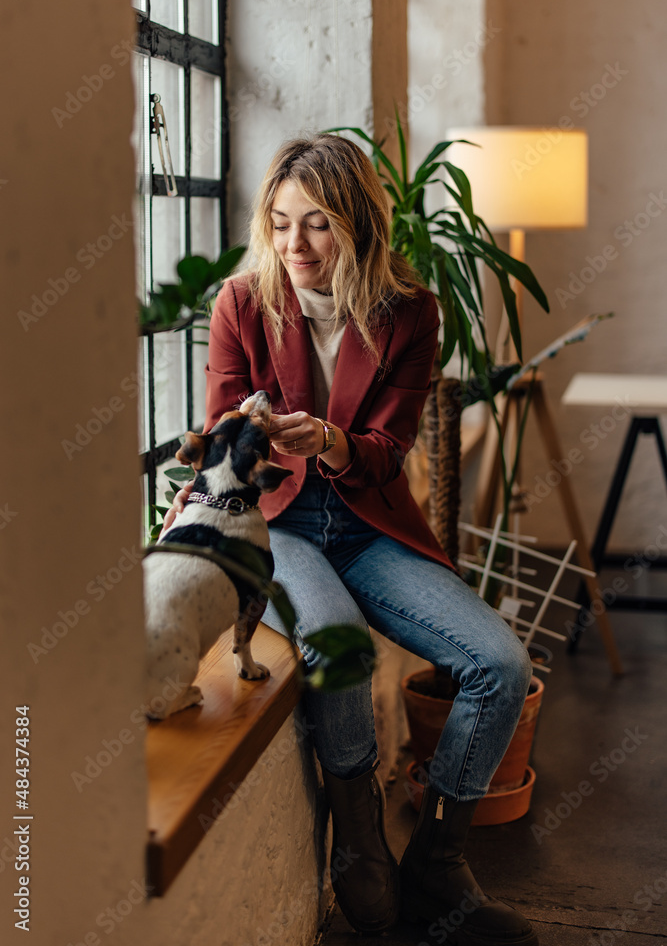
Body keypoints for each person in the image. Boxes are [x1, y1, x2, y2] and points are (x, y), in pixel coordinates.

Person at [165, 134, 538, 946]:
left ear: (358, 225)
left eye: (318, 224)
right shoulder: (240, 303)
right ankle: (359, 841)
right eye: (279, 222)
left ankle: (437, 861)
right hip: (274, 526)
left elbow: (387, 451)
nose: (294, 245)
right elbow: (220, 431)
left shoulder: (409, 311)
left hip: (365, 522)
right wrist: (256, 432)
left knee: (499, 666)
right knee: (341, 648)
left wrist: (331, 440)